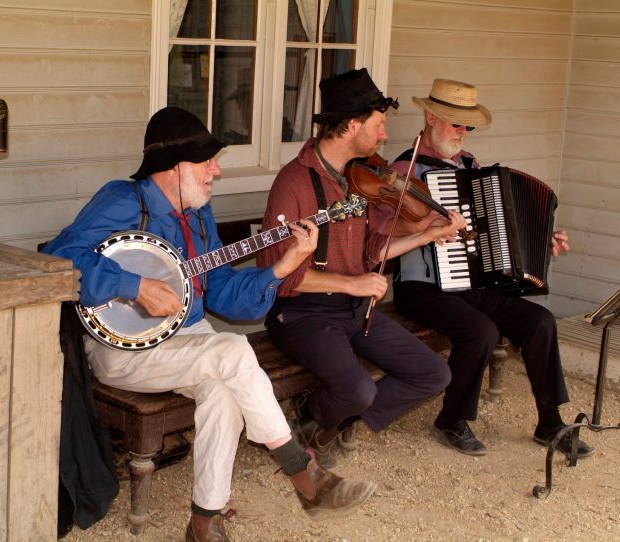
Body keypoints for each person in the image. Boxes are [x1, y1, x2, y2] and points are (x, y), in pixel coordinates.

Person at [42, 106, 376, 542]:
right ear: (174, 167)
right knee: (235, 352)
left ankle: (205, 520)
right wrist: (134, 284)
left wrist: (280, 269)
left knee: (223, 389)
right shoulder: (124, 200)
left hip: (192, 340)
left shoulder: (198, 214)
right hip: (124, 347)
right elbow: (58, 258)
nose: (215, 172)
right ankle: (302, 470)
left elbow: (220, 292)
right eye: (207, 162)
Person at [256, 69, 457, 468]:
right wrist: (354, 284)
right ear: (351, 125)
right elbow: (281, 274)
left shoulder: (356, 181)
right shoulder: (294, 183)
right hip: (301, 313)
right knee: (359, 390)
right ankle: (321, 415)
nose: (384, 136)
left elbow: (370, 253)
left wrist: (426, 234)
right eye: (379, 125)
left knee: (433, 374)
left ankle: (319, 425)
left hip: (352, 308)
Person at [389, 78, 594, 458]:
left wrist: (539, 243)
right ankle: (451, 419)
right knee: (481, 331)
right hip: (421, 287)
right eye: (455, 124)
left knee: (540, 322)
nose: (462, 133)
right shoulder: (404, 170)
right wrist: (428, 228)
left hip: (471, 281)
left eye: (467, 126)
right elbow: (383, 234)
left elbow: (493, 231)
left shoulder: (471, 167)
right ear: (430, 118)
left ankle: (550, 422)